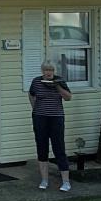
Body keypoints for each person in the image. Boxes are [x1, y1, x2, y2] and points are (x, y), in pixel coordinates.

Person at [28, 60, 72, 191]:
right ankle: (44, 180)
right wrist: (34, 108)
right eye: (46, 70)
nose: (48, 72)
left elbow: (68, 97)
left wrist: (57, 86)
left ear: (54, 71)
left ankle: (66, 182)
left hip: (56, 118)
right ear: (42, 71)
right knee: (42, 147)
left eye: (51, 70)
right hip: (40, 118)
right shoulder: (36, 81)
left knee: (59, 148)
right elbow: (31, 94)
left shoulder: (60, 81)